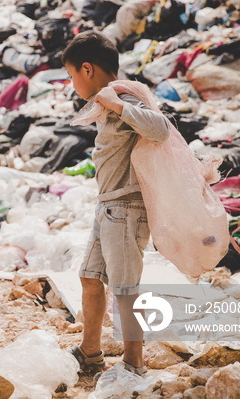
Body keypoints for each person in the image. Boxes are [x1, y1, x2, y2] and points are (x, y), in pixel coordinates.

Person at [62, 31, 171, 377]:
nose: (72, 83)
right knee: (90, 278)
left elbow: (161, 128)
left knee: (125, 289)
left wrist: (119, 106)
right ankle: (90, 353)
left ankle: (133, 364)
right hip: (107, 208)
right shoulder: (106, 100)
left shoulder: (122, 98)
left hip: (126, 211)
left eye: (71, 75)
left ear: (87, 69)